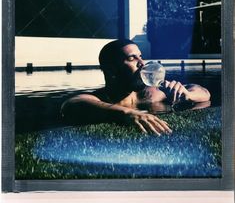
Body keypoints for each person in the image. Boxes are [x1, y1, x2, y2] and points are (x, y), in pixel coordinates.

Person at [61, 39, 210, 134]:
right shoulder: (100, 98)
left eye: (141, 56)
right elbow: (71, 104)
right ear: (111, 69)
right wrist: (127, 113)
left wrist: (187, 94)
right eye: (132, 58)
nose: (142, 63)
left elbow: (203, 92)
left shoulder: (154, 93)